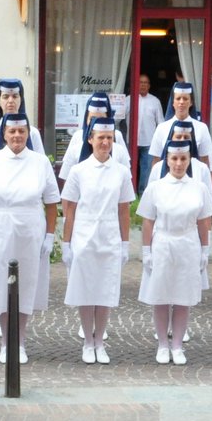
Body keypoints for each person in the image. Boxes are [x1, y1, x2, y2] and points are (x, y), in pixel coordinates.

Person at [0, 111, 59, 364]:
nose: (17, 136)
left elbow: (52, 201)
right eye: (12, 131)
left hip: (30, 227)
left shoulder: (40, 162)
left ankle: (19, 341)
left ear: (28, 133)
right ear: (4, 135)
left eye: (22, 131)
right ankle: (5, 343)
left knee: (26, 284)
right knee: (1, 284)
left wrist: (50, 235)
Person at [60, 117, 135, 365]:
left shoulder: (122, 172)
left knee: (104, 291)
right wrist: (66, 242)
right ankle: (87, 341)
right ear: (90, 139)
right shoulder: (78, 171)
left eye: (109, 138)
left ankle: (100, 340)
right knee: (85, 290)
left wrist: (125, 243)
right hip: (84, 235)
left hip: (110, 236)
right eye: (100, 137)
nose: (104, 142)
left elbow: (124, 210)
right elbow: (69, 208)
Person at [137, 138, 211, 363]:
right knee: (161, 295)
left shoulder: (199, 188)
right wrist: (146, 251)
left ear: (189, 160)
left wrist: (205, 250)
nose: (178, 164)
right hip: (163, 242)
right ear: (167, 160)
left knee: (182, 296)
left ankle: (177, 345)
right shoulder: (156, 188)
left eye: (183, 159)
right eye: (174, 159)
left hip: (188, 243)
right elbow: (148, 221)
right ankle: (162, 344)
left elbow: (204, 221)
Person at [57, 92, 131, 186]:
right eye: (92, 118)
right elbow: (67, 175)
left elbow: (126, 171)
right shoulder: (77, 136)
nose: (96, 122)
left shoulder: (117, 136)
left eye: (101, 118)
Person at [148, 82, 212, 171]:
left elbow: (205, 161)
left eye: (185, 98)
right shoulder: (162, 128)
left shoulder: (201, 128)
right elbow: (156, 160)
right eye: (178, 98)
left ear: (191, 102)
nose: (181, 102)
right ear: (173, 102)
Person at [133, 74, 165, 190]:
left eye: (145, 82)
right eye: (140, 82)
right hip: (131, 141)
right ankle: (130, 195)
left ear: (149, 86)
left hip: (148, 141)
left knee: (146, 170)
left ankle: (142, 195)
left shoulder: (155, 101)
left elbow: (160, 122)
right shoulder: (129, 100)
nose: (143, 85)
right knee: (129, 168)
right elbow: (117, 119)